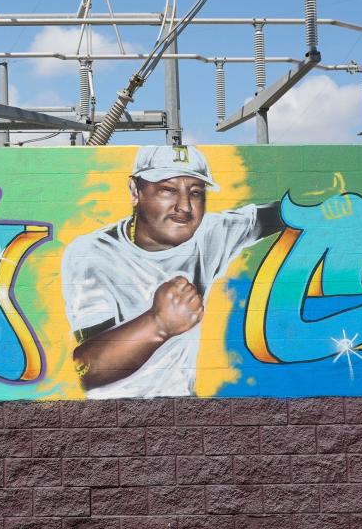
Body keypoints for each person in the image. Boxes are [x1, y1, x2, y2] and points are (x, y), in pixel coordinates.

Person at [61, 146, 282, 398]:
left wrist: (329, 205)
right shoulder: (92, 253)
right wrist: (158, 324)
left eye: (196, 193)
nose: (185, 207)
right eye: (168, 190)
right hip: (112, 416)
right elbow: (88, 368)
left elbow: (282, 214)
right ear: (136, 191)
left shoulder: (208, 234)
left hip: (186, 408)